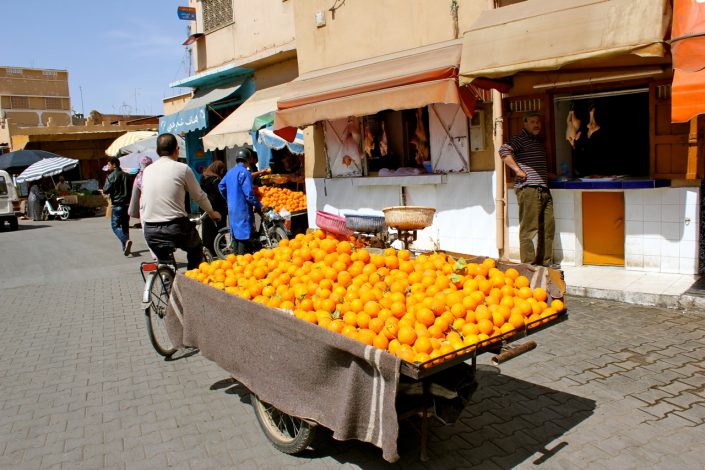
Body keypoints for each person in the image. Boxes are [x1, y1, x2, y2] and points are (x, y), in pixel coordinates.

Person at [140, 133, 221, 269]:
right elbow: (199, 196)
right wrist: (212, 213)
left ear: (157, 151)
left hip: (150, 229)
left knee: (165, 262)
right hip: (175, 227)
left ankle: (167, 281)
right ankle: (190, 282)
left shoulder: (147, 170)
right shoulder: (182, 169)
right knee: (196, 249)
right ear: (176, 149)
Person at [499, 112, 556, 268]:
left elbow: (535, 165)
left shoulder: (537, 141)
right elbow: (503, 151)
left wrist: (552, 175)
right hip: (529, 188)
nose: (536, 124)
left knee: (548, 228)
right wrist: (517, 171)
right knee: (529, 229)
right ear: (525, 124)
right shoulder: (520, 139)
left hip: (543, 188)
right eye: (532, 122)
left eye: (538, 121)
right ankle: (528, 266)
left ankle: (544, 265)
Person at [218, 148, 262, 255]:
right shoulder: (244, 172)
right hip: (243, 208)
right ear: (248, 159)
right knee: (243, 236)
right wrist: (259, 205)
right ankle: (242, 262)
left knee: (236, 235)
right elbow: (249, 194)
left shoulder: (230, 172)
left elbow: (221, 186)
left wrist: (229, 197)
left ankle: (236, 260)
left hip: (232, 208)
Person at [103, 157, 133, 256]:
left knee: (115, 226)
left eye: (109, 164)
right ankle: (125, 247)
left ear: (114, 165)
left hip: (117, 204)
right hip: (127, 204)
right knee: (125, 226)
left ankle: (125, 241)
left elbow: (105, 190)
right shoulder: (128, 176)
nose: (108, 166)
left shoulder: (111, 176)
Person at [199, 160, 228, 257]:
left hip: (205, 208)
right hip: (216, 210)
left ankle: (209, 252)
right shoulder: (215, 180)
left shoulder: (204, 177)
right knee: (218, 231)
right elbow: (220, 194)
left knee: (208, 232)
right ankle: (216, 252)